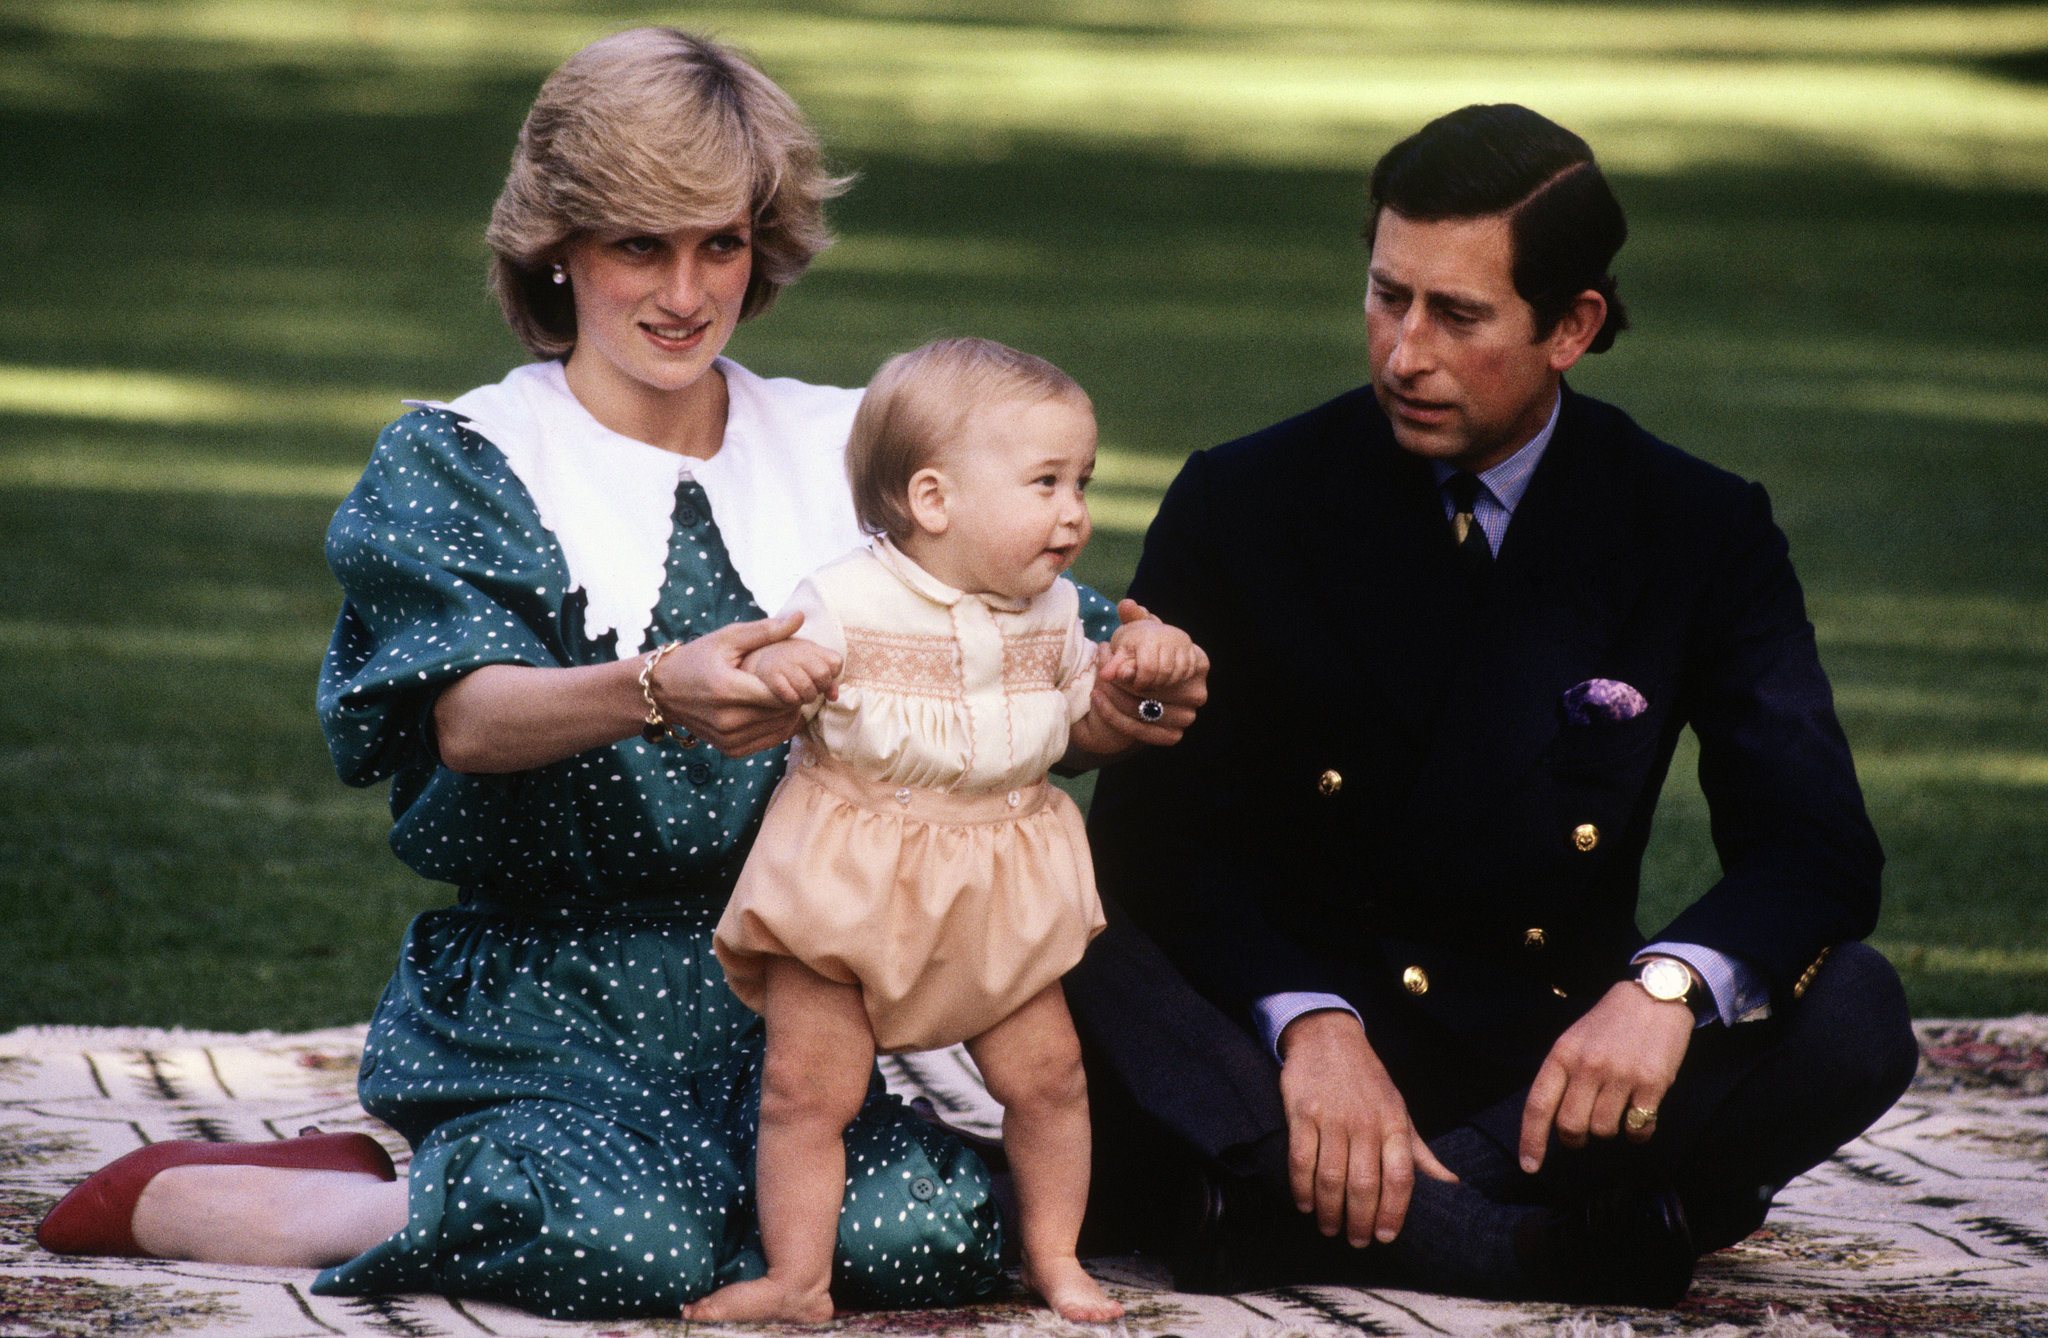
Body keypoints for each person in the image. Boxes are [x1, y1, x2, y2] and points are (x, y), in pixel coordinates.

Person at [33, 29, 1197, 1320]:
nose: (686, 290)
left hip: (793, 989)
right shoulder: (466, 458)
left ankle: (503, 1193)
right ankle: (332, 1194)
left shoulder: (852, 447)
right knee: (626, 1243)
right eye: (640, 244)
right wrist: (656, 687)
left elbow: (1027, 661)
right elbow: (464, 722)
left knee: (936, 1228)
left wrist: (1121, 703)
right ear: (558, 246)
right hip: (547, 992)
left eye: (720, 243)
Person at [1068, 103, 1920, 1306]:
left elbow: (1813, 845)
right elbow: (1152, 849)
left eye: (1456, 315)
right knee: (1044, 895)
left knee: (1855, 1009)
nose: (1402, 352)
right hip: (1271, 1061)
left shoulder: (1694, 527)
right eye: (1384, 295)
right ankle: (1508, 1243)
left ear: (1571, 325)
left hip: (1532, 1078)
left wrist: (1663, 988)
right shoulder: (1243, 498)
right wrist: (1311, 1026)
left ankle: (1272, 1214)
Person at [683, 337, 1207, 1324]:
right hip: (847, 878)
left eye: (1080, 482)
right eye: (1045, 481)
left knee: (1048, 1077)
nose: (1073, 511)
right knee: (807, 1090)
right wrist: (779, 677)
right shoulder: (842, 601)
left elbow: (1083, 728)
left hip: (996, 883)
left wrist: (1139, 668)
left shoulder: (1053, 615)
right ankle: (797, 1277)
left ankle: (1055, 1255)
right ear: (933, 501)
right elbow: (758, 689)